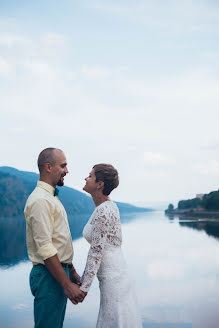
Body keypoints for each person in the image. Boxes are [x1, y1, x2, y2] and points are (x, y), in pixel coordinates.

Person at [24, 148, 86, 328]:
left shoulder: (50, 198)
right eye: (63, 166)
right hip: (48, 276)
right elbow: (45, 247)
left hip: (57, 273)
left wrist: (71, 270)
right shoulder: (40, 200)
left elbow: (58, 242)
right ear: (48, 167)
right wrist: (66, 284)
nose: (67, 170)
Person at [79, 163, 142, 328]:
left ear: (99, 184)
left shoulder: (104, 210)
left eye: (90, 176)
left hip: (113, 278)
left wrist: (83, 288)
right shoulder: (105, 207)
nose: (86, 178)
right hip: (114, 273)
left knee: (115, 320)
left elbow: (96, 251)